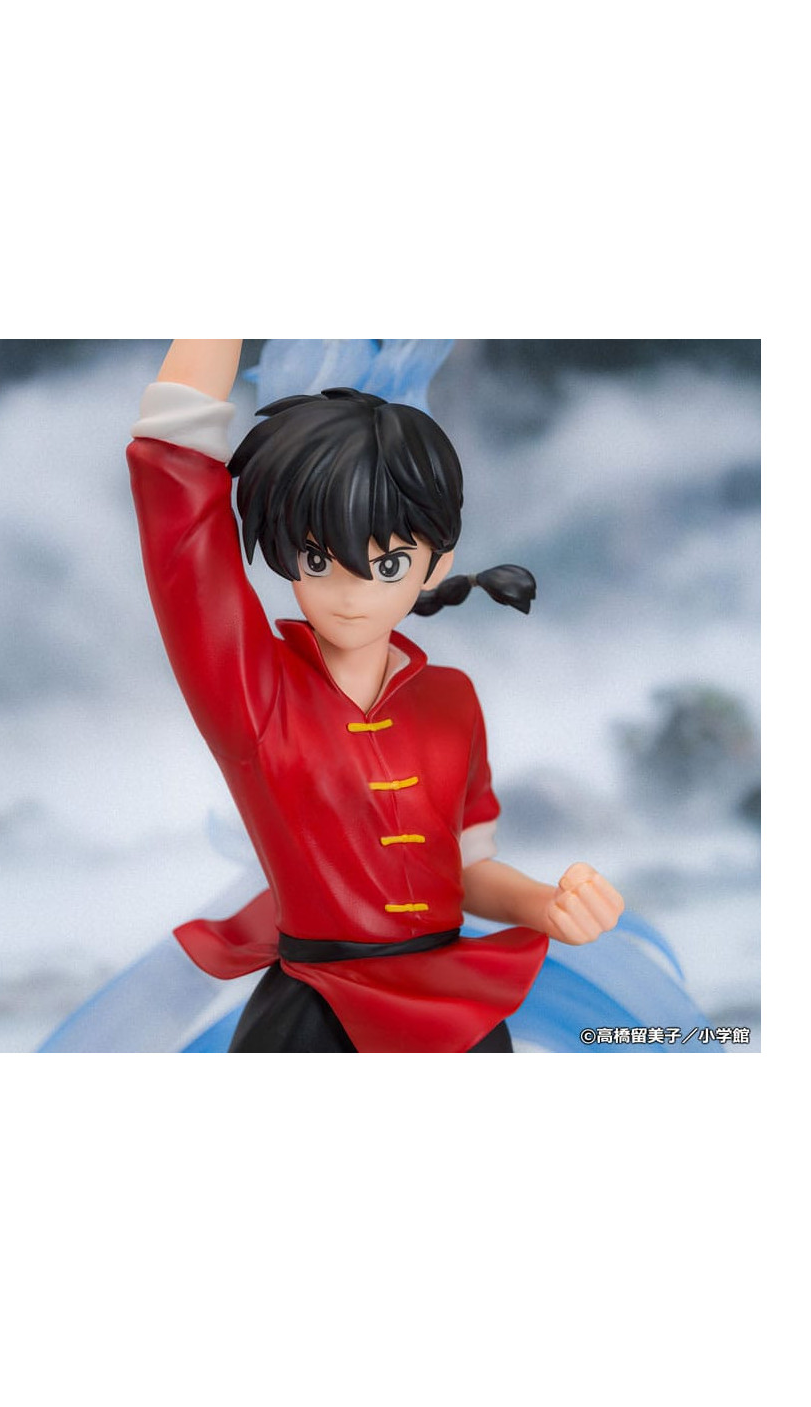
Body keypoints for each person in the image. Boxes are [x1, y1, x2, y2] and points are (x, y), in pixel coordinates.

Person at [127, 339, 624, 1052]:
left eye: (388, 564)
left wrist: (547, 906)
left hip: (455, 1022)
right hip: (314, 1021)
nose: (351, 594)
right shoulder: (253, 692)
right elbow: (178, 510)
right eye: (318, 559)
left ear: (437, 563)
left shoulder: (452, 699)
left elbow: (464, 872)